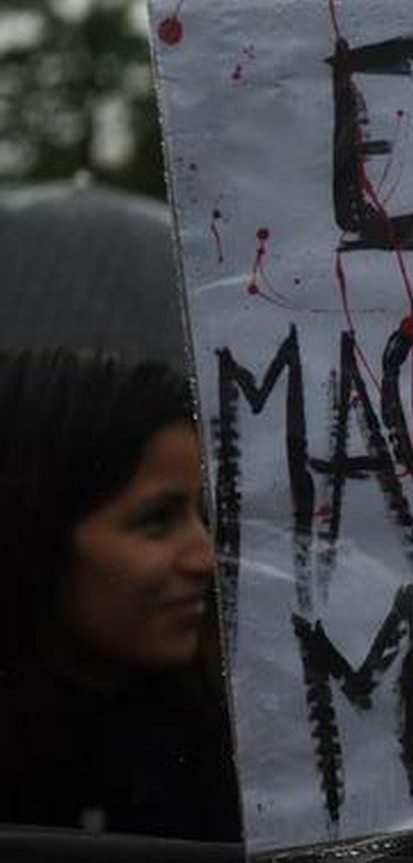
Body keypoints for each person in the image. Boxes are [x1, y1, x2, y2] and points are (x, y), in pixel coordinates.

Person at [0, 349, 240, 841]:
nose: (205, 557)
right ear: (34, 527)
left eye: (202, 514)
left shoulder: (231, 759)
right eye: (156, 520)